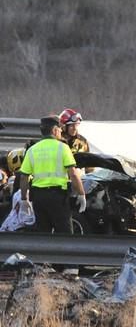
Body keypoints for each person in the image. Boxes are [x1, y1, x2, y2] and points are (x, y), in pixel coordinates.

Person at [17, 116, 87, 276]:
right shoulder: (62, 148)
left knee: (43, 233)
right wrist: (81, 193)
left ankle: (43, 268)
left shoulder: (33, 149)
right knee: (65, 232)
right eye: (60, 130)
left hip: (39, 197)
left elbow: (23, 176)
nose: (61, 132)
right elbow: (73, 174)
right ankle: (70, 268)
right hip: (58, 196)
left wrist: (23, 199)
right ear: (55, 130)